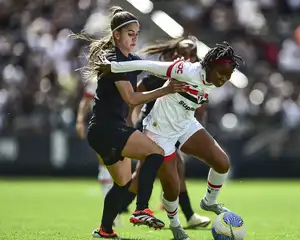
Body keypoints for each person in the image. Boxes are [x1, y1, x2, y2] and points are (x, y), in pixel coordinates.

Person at [98, 41, 243, 239]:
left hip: (185, 125)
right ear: (209, 66)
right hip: (159, 133)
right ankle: (175, 226)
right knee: (172, 188)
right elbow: (146, 65)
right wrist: (113, 67)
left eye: (228, 76)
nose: (224, 79)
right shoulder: (184, 70)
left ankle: (209, 202)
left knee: (222, 163)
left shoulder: (211, 78)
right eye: (221, 74)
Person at [71, 6, 188, 239]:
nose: (135, 38)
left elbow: (150, 70)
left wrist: (179, 69)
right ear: (117, 35)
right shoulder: (114, 60)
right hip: (108, 128)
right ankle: (142, 209)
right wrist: (164, 89)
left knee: (123, 184)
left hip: (104, 131)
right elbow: (132, 98)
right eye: (130, 34)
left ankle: (104, 231)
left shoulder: (130, 60)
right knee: (156, 153)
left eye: (136, 33)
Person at [125, 36, 211, 229]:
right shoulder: (160, 76)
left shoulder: (195, 77)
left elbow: (198, 107)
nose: (189, 58)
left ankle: (117, 211)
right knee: (164, 170)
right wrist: (132, 119)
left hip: (171, 131)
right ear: (174, 55)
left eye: (193, 55)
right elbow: (136, 94)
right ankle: (187, 215)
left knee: (155, 173)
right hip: (151, 128)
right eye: (184, 54)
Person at [75, 77, 130, 227]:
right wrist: (80, 121)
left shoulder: (122, 75)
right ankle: (114, 213)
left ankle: (115, 210)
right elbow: (86, 102)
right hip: (101, 125)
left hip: (119, 123)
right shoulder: (96, 80)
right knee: (106, 163)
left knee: (119, 165)